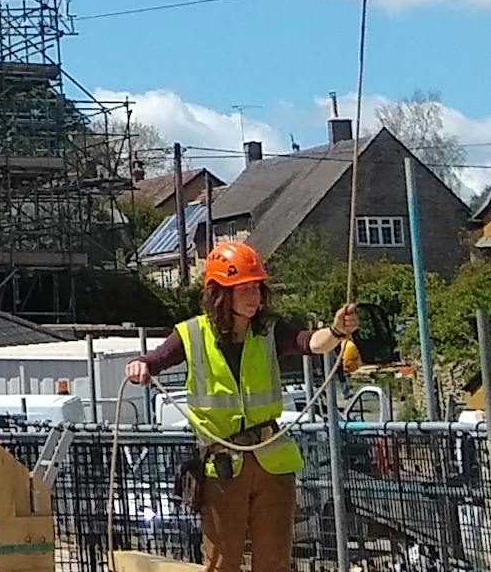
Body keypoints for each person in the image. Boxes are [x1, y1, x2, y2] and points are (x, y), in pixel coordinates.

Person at [122, 238, 360, 572]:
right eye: (244, 289)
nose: (254, 297)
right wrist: (141, 365)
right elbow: (157, 358)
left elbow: (310, 343)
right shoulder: (192, 334)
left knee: (274, 562)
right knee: (222, 564)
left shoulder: (269, 330)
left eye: (257, 288)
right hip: (222, 465)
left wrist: (336, 331)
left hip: (272, 460)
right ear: (221, 293)